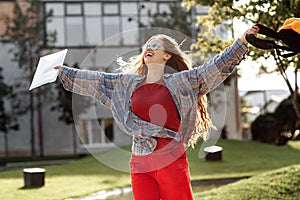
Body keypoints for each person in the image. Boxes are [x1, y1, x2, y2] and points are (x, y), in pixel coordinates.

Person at [54, 26, 259, 200]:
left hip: (169, 158)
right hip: (139, 160)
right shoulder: (128, 84)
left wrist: (240, 42)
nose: (148, 48)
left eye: (155, 46)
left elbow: (213, 69)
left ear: (167, 55)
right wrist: (62, 71)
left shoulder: (180, 82)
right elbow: (97, 80)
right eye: (147, 46)